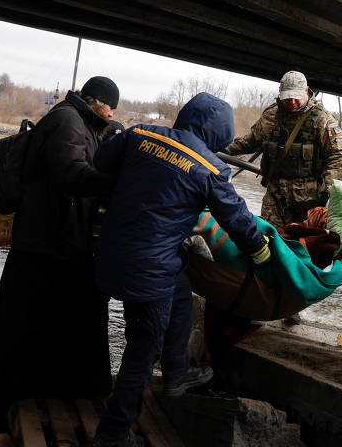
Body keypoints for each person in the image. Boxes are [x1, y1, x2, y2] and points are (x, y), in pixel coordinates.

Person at [92, 93, 269, 447]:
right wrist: (261, 252)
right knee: (142, 351)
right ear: (219, 134)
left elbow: (101, 160)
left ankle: (176, 373)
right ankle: (112, 436)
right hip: (149, 269)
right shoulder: (209, 167)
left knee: (181, 291)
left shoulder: (141, 134)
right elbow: (236, 218)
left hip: (111, 254)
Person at [0, 77, 119, 424]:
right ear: (97, 102)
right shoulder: (67, 120)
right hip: (45, 243)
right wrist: (118, 180)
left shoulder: (81, 123)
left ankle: (44, 388)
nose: (111, 115)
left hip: (56, 242)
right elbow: (70, 174)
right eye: (111, 107)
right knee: (21, 322)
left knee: (35, 321)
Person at [225, 70, 342, 228]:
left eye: (296, 97)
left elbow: (338, 157)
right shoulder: (271, 115)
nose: (292, 102)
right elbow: (251, 141)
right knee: (268, 237)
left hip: (309, 200)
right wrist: (218, 148)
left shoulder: (322, 120)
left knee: (302, 245)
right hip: (275, 195)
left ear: (306, 91)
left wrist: (328, 193)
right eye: (287, 97)